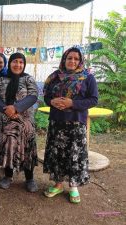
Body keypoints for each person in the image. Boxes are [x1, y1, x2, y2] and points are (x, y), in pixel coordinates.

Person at [43, 47, 98, 204]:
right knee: (57, 153)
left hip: (76, 122)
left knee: (74, 154)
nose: (72, 61)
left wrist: (72, 103)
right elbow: (47, 96)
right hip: (57, 121)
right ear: (64, 59)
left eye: (75, 58)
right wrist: (51, 102)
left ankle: (73, 186)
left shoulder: (88, 78)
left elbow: (93, 99)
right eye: (69, 58)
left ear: (80, 61)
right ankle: (58, 183)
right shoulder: (54, 77)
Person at [0, 52, 39, 192]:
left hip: (25, 122)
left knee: (27, 148)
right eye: (15, 61)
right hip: (7, 121)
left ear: (24, 64)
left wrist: (16, 108)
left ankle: (29, 178)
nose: (17, 65)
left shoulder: (28, 79)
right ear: (10, 63)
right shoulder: (1, 80)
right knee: (9, 146)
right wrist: (5, 109)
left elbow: (33, 96)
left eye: (21, 62)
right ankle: (8, 176)